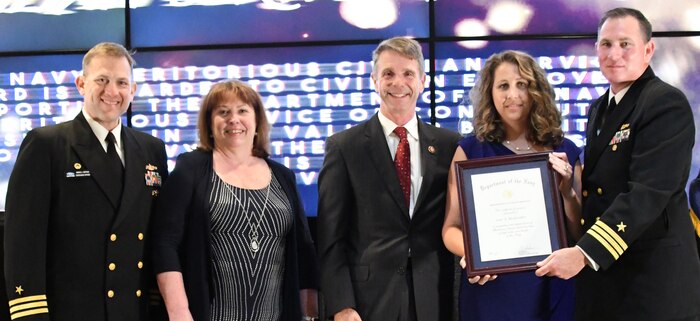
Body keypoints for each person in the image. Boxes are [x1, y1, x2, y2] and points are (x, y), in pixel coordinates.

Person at [534, 7, 700, 321]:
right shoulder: (599, 108)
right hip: (607, 282)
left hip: (651, 284)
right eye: (606, 44)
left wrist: (584, 253)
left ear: (648, 50)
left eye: (626, 44)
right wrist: (569, 189)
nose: (615, 54)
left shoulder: (664, 103)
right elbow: (599, 192)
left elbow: (647, 194)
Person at [4, 42, 169, 321]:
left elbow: (155, 237)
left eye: (121, 82)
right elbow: (23, 242)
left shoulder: (151, 149)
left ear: (133, 90)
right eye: (101, 80)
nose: (112, 92)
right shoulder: (47, 145)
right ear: (81, 84)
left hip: (133, 312)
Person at [317, 36, 461, 321]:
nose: (398, 83)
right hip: (368, 302)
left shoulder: (450, 145)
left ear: (422, 81)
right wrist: (341, 305)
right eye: (388, 74)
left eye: (408, 73)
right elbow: (330, 239)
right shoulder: (344, 147)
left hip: (435, 297)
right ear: (374, 79)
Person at [150, 80, 319, 321]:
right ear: (209, 123)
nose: (233, 119)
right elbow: (165, 243)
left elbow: (303, 250)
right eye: (223, 112)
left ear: (257, 121)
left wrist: (310, 313)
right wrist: (179, 312)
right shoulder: (191, 169)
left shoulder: (284, 176)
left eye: (242, 110)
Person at [441, 50, 582, 321]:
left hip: (551, 284)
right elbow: (450, 229)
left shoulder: (565, 151)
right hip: (490, 288)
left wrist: (567, 192)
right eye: (503, 86)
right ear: (489, 93)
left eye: (522, 85)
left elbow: (577, 231)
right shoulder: (469, 150)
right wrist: (474, 256)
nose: (512, 95)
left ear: (536, 91)